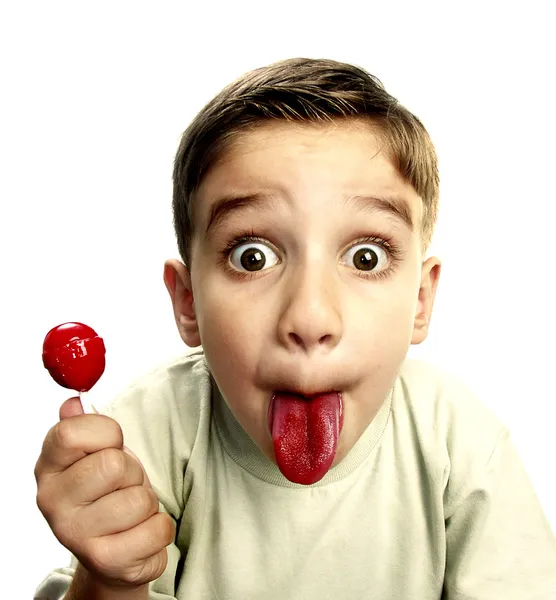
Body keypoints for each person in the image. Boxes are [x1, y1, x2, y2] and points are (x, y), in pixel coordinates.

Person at [34, 57, 556, 600]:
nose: (309, 318)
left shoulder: (458, 438)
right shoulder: (146, 436)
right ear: (189, 303)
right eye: (253, 256)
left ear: (420, 300)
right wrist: (109, 579)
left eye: (366, 257)